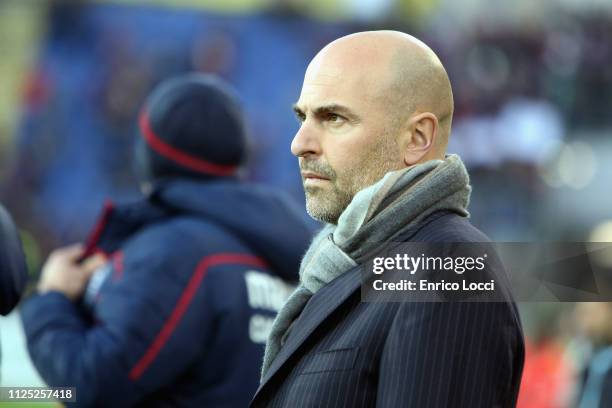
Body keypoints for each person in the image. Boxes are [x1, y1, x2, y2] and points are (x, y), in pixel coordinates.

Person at [251, 31, 524, 407]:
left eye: (333, 118)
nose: (300, 143)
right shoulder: (347, 261)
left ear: (416, 137)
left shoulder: (447, 266)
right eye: (302, 116)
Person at [20, 74, 314, 407]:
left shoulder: (177, 253)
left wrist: (52, 299)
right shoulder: (283, 252)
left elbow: (92, 386)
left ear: (148, 150)